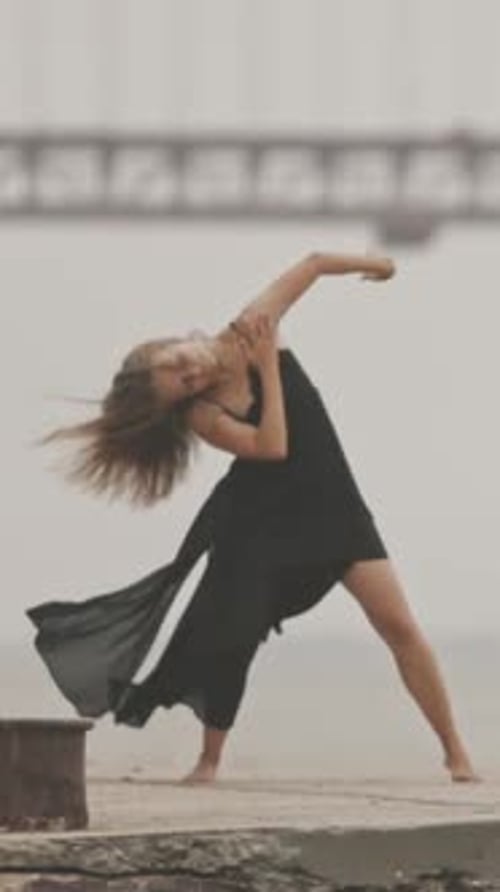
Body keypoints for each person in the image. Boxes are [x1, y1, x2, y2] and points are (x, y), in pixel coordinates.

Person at [26, 251, 478, 785]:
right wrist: (267, 366)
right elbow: (271, 445)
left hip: (332, 504)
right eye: (184, 384)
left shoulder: (250, 322)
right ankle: (210, 761)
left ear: (173, 340)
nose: (191, 373)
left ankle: (456, 754)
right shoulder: (202, 414)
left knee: (399, 626)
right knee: (232, 634)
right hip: (259, 521)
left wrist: (378, 262)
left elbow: (311, 265)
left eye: (178, 363)